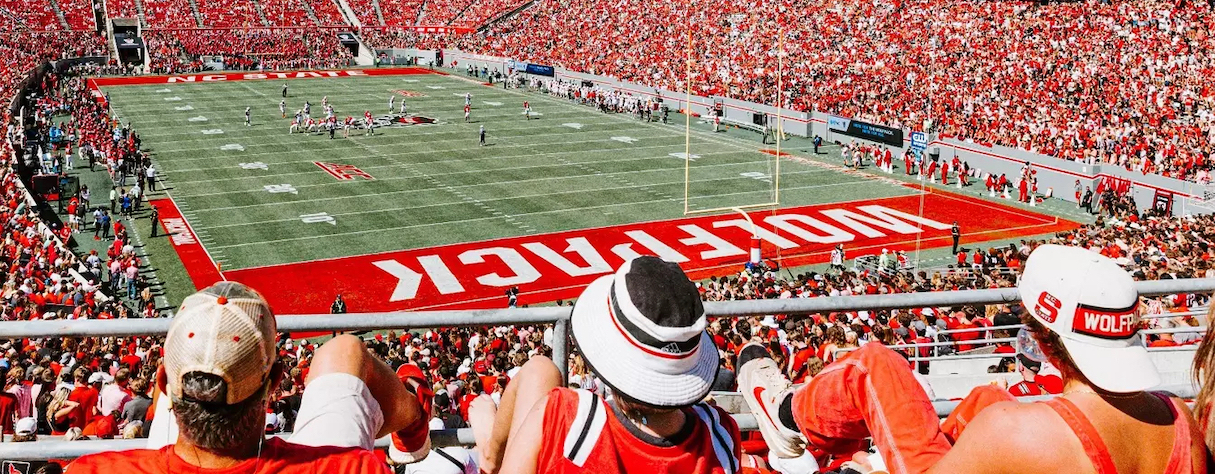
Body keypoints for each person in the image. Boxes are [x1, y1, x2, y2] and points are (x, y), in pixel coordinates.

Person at [739, 244, 1205, 474]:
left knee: (873, 365)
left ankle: (787, 415)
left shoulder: (1016, 430)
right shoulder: (1181, 419)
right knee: (982, 398)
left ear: (1042, 339)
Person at [66, 282, 430, 474]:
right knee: (343, 349)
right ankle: (414, 422)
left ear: (161, 383)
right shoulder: (352, 468)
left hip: (175, 452)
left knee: (196, 351)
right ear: (273, 384)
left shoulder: (91, 470)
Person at [469, 256, 740, 474]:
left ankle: (489, 456)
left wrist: (485, 438)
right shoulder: (721, 437)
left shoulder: (564, 415)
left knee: (541, 369)